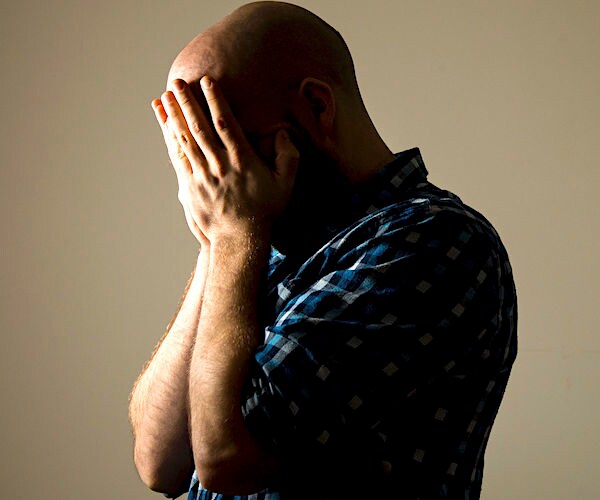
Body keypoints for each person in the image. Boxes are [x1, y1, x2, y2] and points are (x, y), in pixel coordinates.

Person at [128, 2, 518, 499]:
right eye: (197, 156)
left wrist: (231, 234)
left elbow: (226, 459)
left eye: (228, 145)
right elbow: (158, 463)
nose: (216, 176)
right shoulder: (252, 241)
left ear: (316, 107)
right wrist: (217, 241)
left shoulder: (433, 241)